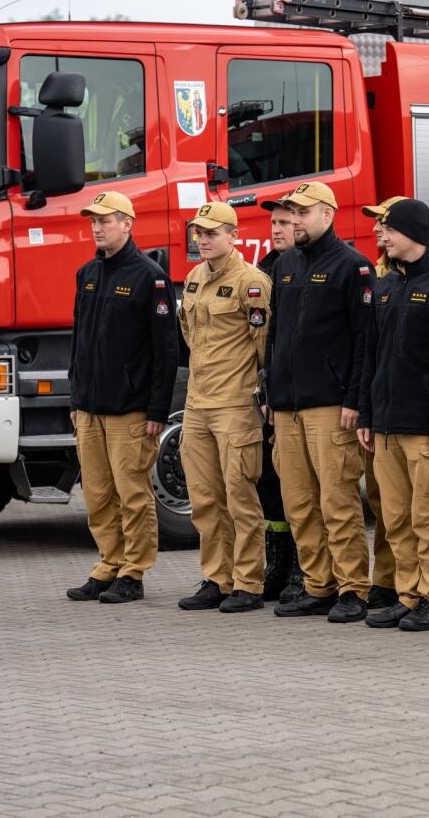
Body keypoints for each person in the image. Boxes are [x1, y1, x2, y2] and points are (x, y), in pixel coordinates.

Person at [356, 199, 429, 631]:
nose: (381, 236)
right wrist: (367, 414)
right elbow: (371, 355)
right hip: (386, 425)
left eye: (388, 230)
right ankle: (408, 595)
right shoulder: (385, 287)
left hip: (425, 429)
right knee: (396, 519)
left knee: (427, 517)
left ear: (413, 234)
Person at [266, 181, 374, 622]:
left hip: (331, 404)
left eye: (302, 213)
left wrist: (355, 398)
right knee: (298, 501)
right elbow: (275, 335)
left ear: (327, 215)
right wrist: (271, 392)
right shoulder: (286, 264)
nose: (294, 220)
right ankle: (318, 583)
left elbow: (366, 340)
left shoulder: (353, 266)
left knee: (337, 499)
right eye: (292, 213)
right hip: (288, 405)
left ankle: (353, 588)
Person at [66, 191, 179, 604]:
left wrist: (157, 410)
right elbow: (78, 341)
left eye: (105, 220)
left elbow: (166, 351)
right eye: (93, 221)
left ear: (127, 224)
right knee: (96, 493)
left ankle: (134, 571)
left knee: (132, 493)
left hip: (130, 410)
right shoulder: (87, 274)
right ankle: (108, 564)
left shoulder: (150, 277)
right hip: (90, 408)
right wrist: (75, 398)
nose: (96, 228)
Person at [175, 202, 273, 613]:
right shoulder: (196, 277)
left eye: (212, 233)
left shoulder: (252, 282)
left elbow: (263, 344)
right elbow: (188, 333)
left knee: (239, 495)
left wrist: (261, 396)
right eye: (199, 232)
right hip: (197, 404)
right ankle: (217, 577)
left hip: (235, 403)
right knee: (204, 498)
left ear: (233, 236)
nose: (203, 239)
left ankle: (248, 581)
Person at [359, 195, 408, 611]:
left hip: (410, 416)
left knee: (410, 509)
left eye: (384, 224)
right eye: (376, 223)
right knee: (381, 501)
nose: (377, 230)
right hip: (379, 409)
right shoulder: (375, 277)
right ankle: (386, 578)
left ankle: (404, 585)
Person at [257, 195, 301, 602]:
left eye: (285, 222)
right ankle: (278, 563)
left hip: (299, 399)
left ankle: (303, 570)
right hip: (271, 397)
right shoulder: (265, 270)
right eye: (274, 223)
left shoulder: (298, 270)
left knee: (300, 485)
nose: (277, 229)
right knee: (270, 484)